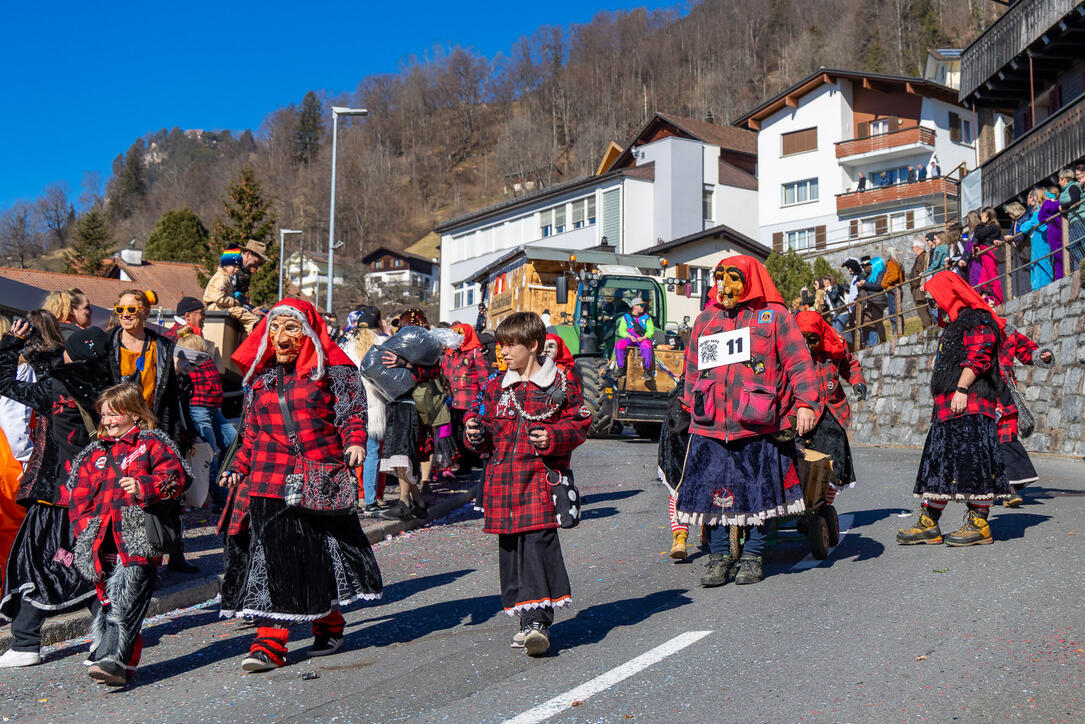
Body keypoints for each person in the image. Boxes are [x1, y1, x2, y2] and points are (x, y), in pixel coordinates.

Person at [220, 298, 382, 672]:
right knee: (274, 558)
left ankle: (328, 623)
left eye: (291, 328)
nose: (281, 336)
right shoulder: (259, 378)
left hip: (319, 476)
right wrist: (238, 467)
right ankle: (269, 643)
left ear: (307, 332)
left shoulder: (333, 372)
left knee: (316, 555)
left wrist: (355, 442)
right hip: (267, 479)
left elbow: (351, 414)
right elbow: (251, 433)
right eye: (274, 328)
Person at [676, 255, 820, 588]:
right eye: (720, 277)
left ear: (750, 279)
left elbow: (799, 362)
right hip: (710, 424)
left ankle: (753, 556)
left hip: (758, 422)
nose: (724, 285)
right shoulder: (706, 319)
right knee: (712, 495)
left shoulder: (775, 317)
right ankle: (718, 557)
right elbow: (694, 368)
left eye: (733, 277)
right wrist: (688, 405)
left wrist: (806, 404)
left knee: (758, 494)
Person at [465, 311, 590, 656]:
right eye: (501, 346)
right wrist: (475, 434)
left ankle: (538, 623)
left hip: (539, 483)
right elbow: (485, 437)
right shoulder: (495, 385)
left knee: (537, 549)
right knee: (511, 555)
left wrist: (553, 436)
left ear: (533, 345)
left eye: (510, 345)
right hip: (502, 484)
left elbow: (581, 424)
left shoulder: (560, 382)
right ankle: (524, 620)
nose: (502, 352)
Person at [0, 324, 114, 668]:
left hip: (56, 493)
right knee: (90, 562)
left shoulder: (56, 387)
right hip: (97, 492)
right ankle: (109, 636)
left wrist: (12, 344)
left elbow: (4, 383)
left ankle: (26, 641)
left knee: (35, 564)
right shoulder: (114, 387)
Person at [67, 383, 189, 685]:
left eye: (114, 414)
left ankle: (111, 658)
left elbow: (177, 478)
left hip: (139, 536)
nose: (107, 421)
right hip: (101, 540)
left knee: (129, 600)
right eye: (103, 415)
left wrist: (144, 486)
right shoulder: (94, 452)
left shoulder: (152, 443)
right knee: (108, 600)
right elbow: (78, 499)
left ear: (134, 414)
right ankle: (121, 665)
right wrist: (85, 530)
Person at [898, 271, 1010, 547]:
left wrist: (961, 388)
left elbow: (980, 355)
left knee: (973, 463)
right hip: (948, 408)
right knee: (938, 464)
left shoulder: (977, 319)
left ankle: (979, 525)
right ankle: (929, 524)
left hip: (969, 405)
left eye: (935, 298)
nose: (933, 304)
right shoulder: (956, 323)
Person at [108, 289, 193, 572]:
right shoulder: (109, 344)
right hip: (119, 429)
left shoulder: (162, 346)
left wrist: (178, 434)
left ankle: (172, 552)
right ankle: (129, 558)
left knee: (165, 489)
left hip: (154, 427)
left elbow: (170, 395)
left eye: (131, 310)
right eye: (120, 310)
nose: (126, 315)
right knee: (122, 492)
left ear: (144, 312)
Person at [794, 311, 867, 505]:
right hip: (805, 415)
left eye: (813, 339)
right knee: (804, 465)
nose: (808, 345)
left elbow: (850, 365)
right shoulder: (791, 352)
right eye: (803, 339)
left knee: (834, 466)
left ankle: (825, 506)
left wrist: (857, 381)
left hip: (833, 413)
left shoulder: (835, 344)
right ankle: (806, 506)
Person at [379, 309, 439, 521]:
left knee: (403, 454)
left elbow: (432, 372)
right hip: (396, 402)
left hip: (411, 404)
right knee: (399, 455)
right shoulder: (399, 343)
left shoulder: (427, 347)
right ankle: (419, 503)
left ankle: (405, 502)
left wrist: (405, 364)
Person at [341, 305, 390, 516]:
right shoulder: (383, 344)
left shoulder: (347, 345)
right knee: (372, 453)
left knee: (351, 449)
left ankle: (354, 498)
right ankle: (370, 500)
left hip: (352, 403)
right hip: (376, 402)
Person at [996, 326, 1052, 507]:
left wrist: (1042, 355)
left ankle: (1010, 490)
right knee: (980, 442)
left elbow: (1029, 351)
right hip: (976, 393)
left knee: (1007, 438)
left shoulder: (1007, 332)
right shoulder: (968, 329)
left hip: (1004, 392)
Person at [442, 322, 491, 476]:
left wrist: (485, 400)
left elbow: (484, 379)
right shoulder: (449, 355)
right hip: (453, 401)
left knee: (470, 431)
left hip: (470, 402)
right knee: (457, 434)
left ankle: (469, 464)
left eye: (460, 334)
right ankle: (463, 463)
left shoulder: (475, 352)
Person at [203, 242, 267, 333]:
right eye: (257, 261)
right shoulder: (224, 276)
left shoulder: (237, 273)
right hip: (220, 307)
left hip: (228, 305)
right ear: (248, 254)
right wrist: (236, 303)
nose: (257, 266)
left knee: (249, 315)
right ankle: (255, 331)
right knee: (248, 317)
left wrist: (249, 308)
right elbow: (219, 297)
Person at [967, 208, 1004, 303]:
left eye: (982, 216)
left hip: (989, 253)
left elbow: (978, 234)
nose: (981, 218)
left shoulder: (993, 226)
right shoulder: (988, 227)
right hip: (985, 254)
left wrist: (981, 224)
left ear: (988, 217)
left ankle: (998, 300)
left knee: (993, 277)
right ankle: (987, 300)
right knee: (983, 282)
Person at [614, 297, 655, 379]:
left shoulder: (647, 317)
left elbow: (651, 331)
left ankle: (646, 371)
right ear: (634, 306)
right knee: (619, 345)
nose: (643, 307)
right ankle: (621, 369)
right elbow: (621, 330)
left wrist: (643, 338)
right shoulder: (626, 317)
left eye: (644, 305)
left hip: (642, 337)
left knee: (647, 345)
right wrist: (629, 336)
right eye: (641, 305)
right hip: (630, 337)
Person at [1003, 201, 1034, 296]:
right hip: (1020, 247)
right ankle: (1033, 287)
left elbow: (1023, 233)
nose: (1009, 215)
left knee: (1032, 265)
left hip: (1026, 245)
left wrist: (1013, 238)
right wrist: (1005, 238)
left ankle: (1036, 287)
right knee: (1027, 267)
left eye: (1010, 213)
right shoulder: (1015, 221)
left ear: (1015, 211)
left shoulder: (1025, 218)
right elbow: (1011, 232)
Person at [1057, 168, 1085, 271]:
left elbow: (1075, 200)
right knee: (1073, 245)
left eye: (1059, 179)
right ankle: (1082, 267)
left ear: (1064, 179)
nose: (1058, 182)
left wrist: (1063, 207)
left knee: (1083, 242)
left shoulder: (1073, 186)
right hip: (1072, 220)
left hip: (1079, 218)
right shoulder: (1064, 191)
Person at [856, 256, 887, 348]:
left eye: (871, 264)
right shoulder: (875, 273)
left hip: (878, 300)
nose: (870, 266)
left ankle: (883, 340)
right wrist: (862, 284)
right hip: (874, 300)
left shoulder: (880, 273)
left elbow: (878, 286)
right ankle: (882, 340)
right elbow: (871, 284)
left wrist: (864, 283)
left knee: (878, 320)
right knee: (876, 320)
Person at [1041, 187, 1065, 281]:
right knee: (1063, 252)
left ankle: (1060, 277)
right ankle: (1063, 273)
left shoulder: (1047, 203)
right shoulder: (1060, 202)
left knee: (1057, 254)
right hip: (1062, 226)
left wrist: (1049, 217)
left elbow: (1041, 217)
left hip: (1053, 230)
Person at [908, 238, 933, 327]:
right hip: (918, 287)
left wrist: (914, 283)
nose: (912, 249)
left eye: (913, 247)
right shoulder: (920, 257)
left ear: (917, 248)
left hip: (919, 288)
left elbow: (918, 272)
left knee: (923, 311)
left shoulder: (921, 257)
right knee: (923, 311)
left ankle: (928, 328)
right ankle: (927, 328)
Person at [882, 248, 904, 336]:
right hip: (896, 289)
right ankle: (899, 330)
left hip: (892, 289)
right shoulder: (897, 262)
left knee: (893, 311)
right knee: (897, 309)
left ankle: (896, 331)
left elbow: (894, 276)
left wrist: (885, 284)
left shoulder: (891, 263)